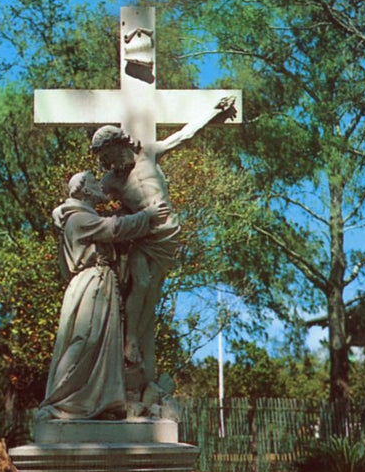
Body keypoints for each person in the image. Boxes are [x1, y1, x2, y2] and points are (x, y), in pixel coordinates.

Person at [91, 96, 237, 380]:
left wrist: (214, 112)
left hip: (168, 234)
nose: (111, 164)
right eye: (105, 161)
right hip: (143, 235)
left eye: (111, 155)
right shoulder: (111, 181)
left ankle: (137, 345)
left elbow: (185, 135)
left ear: (121, 144)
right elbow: (89, 197)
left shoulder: (148, 153)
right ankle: (130, 340)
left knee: (153, 292)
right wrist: (70, 213)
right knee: (141, 283)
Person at [38, 171, 169, 420]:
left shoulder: (81, 216)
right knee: (85, 338)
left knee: (102, 345)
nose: (100, 185)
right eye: (94, 182)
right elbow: (115, 228)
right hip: (91, 284)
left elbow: (114, 225)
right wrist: (148, 216)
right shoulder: (78, 219)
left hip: (101, 284)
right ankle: (59, 401)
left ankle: (96, 403)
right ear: (84, 190)